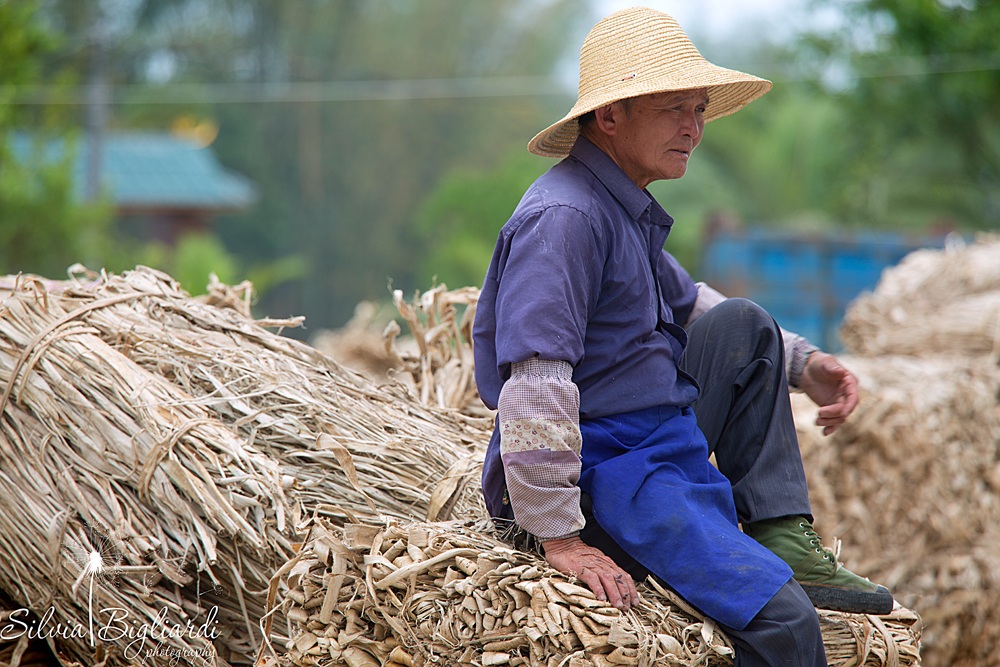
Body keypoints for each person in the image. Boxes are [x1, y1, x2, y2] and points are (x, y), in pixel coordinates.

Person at [471, 7, 894, 666]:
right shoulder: (565, 219)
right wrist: (560, 537)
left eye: (699, 110)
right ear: (610, 116)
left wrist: (806, 366)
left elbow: (695, 306)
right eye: (676, 110)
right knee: (786, 625)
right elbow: (535, 382)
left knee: (747, 324)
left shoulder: (620, 204)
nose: (695, 128)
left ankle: (781, 530)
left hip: (651, 440)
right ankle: (757, 570)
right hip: (606, 476)